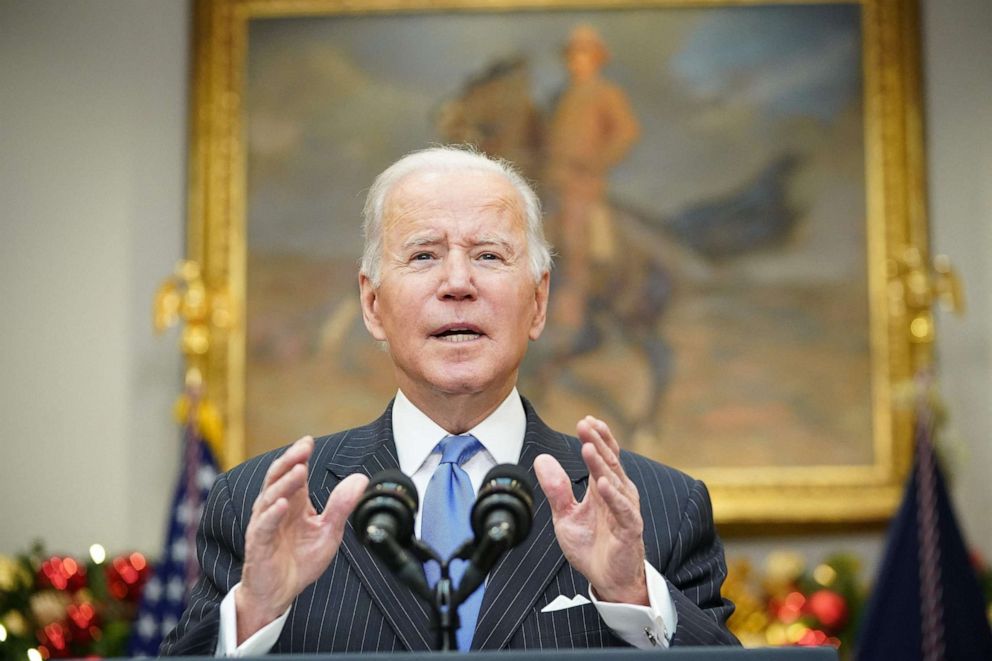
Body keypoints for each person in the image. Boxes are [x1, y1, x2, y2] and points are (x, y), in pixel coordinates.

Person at [160, 146, 738, 655]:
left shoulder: (660, 509)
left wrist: (633, 597)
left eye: (489, 255)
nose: (457, 282)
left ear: (537, 304)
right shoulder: (263, 505)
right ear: (371, 304)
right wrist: (255, 613)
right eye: (423, 255)